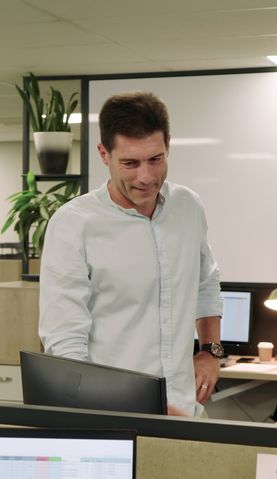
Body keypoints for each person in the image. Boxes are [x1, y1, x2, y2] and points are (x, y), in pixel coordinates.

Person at [38, 91, 222, 417]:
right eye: (130, 163)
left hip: (185, 410)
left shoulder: (188, 207)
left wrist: (211, 351)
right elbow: (65, 342)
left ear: (168, 146)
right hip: (114, 417)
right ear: (103, 154)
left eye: (156, 159)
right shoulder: (73, 225)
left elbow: (205, 284)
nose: (146, 177)